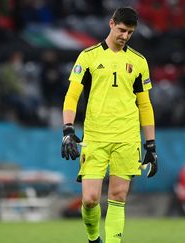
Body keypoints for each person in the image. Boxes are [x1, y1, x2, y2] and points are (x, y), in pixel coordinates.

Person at [60, 7, 158, 243]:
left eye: (130, 32)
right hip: (95, 137)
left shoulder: (138, 61)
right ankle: (94, 239)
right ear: (111, 23)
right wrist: (68, 130)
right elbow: (72, 95)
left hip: (127, 138)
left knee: (118, 196)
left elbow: (145, 105)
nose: (125, 36)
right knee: (90, 199)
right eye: (122, 30)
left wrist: (151, 146)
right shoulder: (89, 56)